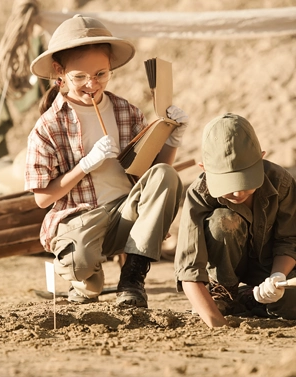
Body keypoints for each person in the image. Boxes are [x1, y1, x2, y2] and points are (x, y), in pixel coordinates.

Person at [25, 14, 188, 307]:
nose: (92, 84)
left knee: (167, 175)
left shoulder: (127, 112)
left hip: (126, 214)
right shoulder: (48, 126)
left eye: (101, 73)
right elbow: (42, 198)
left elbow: (151, 174)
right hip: (80, 218)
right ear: (59, 72)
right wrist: (84, 165)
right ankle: (86, 281)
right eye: (80, 77)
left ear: (111, 67)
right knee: (81, 266)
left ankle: (133, 279)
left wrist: (171, 138)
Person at [174, 113, 296, 327]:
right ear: (204, 168)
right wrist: (216, 323)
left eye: (246, 180)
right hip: (223, 272)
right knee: (223, 220)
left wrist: (278, 276)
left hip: (270, 270)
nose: (238, 192)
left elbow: (288, 241)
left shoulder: (281, 181)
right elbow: (189, 269)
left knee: (291, 303)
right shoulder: (199, 194)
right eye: (229, 184)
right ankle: (225, 296)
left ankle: (249, 299)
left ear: (262, 157)